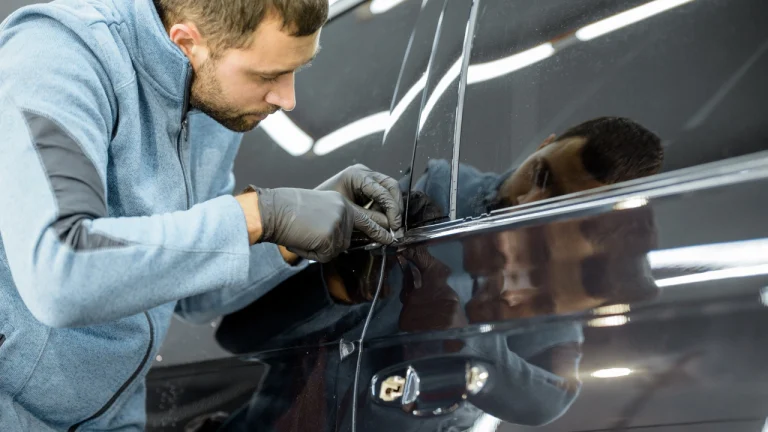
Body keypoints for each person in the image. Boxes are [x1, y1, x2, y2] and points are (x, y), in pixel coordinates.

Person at [0, 0, 403, 430]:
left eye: (296, 70)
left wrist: (288, 236)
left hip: (110, 416)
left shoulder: (208, 99)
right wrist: (257, 215)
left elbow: (194, 293)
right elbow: (59, 272)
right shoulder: (57, 56)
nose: (286, 99)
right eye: (266, 75)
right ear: (188, 42)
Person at [408, 116, 664, 221]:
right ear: (543, 145)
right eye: (540, 175)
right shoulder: (442, 187)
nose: (526, 202)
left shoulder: (557, 303)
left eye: (561, 204)